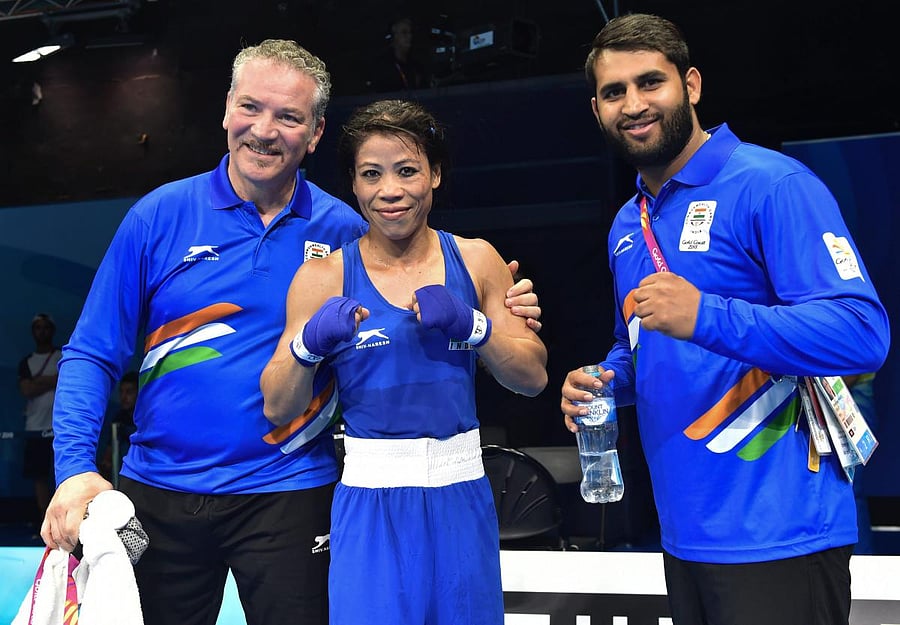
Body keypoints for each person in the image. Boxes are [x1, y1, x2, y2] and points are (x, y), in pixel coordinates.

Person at [41, 39, 541, 625]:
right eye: (251, 107)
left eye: (289, 116)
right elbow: (91, 352)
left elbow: (420, 281)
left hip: (294, 494)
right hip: (162, 494)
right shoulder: (158, 216)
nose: (264, 130)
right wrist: (75, 468)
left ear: (316, 131)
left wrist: (491, 311)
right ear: (227, 108)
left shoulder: (347, 230)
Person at [560, 14, 889, 625]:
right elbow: (641, 347)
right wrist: (604, 381)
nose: (634, 104)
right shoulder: (627, 225)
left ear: (691, 85)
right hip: (684, 533)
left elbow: (861, 332)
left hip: (782, 529)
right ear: (597, 109)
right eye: (614, 92)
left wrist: (708, 314)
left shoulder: (772, 184)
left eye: (650, 83)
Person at [261, 99, 548, 625]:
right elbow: (278, 406)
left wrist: (474, 326)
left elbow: (531, 378)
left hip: (461, 493)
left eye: (407, 170)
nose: (389, 190)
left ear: (435, 175)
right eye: (371, 174)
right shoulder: (322, 278)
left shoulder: (477, 258)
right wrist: (307, 347)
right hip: (370, 501)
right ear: (353, 183)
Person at [18, 312, 62, 527]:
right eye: (38, 327)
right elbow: (26, 390)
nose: (42, 331)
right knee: (39, 477)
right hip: (34, 427)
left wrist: (39, 382)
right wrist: (51, 381)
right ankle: (46, 523)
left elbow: (61, 380)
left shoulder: (62, 356)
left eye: (46, 327)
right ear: (33, 331)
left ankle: (63, 522)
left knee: (62, 474)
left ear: (52, 331)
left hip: (60, 428)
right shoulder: (26, 362)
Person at [366, 15, 427, 93]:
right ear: (394, 37)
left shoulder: (416, 65)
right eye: (404, 32)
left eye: (410, 32)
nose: (409, 36)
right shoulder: (382, 66)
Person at [98, 371, 139, 484]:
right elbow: (109, 453)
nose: (124, 397)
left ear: (139, 393)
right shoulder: (119, 418)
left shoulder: (147, 418)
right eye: (121, 392)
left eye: (129, 392)